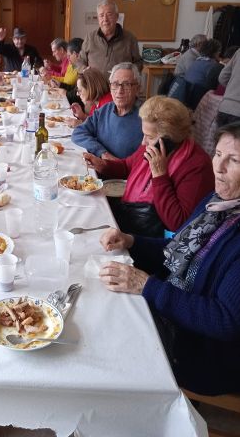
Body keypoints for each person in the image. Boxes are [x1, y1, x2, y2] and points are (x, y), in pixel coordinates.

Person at [99, 122, 240, 395]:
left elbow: (225, 321)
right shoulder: (218, 202)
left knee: (104, 344)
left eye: (233, 160)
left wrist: (147, 286)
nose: (218, 167)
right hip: (170, 310)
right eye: (218, 154)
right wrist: (131, 240)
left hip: (201, 353)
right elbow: (177, 249)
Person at [84, 96, 214, 236]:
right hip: (129, 218)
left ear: (169, 140)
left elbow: (178, 223)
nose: (143, 142)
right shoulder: (152, 147)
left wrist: (159, 175)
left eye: (150, 137)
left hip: (152, 240)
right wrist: (103, 165)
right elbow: (127, 166)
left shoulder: (197, 166)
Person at [71, 62, 143, 159]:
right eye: (115, 84)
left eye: (126, 85)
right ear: (110, 87)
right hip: (99, 167)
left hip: (123, 173)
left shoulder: (146, 117)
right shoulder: (105, 110)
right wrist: (103, 153)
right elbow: (78, 132)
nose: (119, 91)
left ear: (137, 88)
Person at [76, 0, 141, 77]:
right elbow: (80, 61)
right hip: (94, 86)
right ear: (98, 18)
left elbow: (138, 63)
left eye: (109, 15)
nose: (105, 19)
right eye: (101, 15)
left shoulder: (130, 38)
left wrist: (128, 74)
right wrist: (84, 70)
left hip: (119, 86)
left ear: (117, 17)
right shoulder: (90, 38)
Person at [182, 38, 223, 108]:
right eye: (219, 51)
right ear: (216, 52)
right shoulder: (215, 66)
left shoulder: (196, 61)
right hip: (199, 101)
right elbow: (215, 87)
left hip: (185, 97)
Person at [217, 48, 240, 126]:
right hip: (238, 113)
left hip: (225, 107)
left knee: (220, 138)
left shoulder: (238, 51)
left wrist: (233, 89)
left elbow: (222, 77)